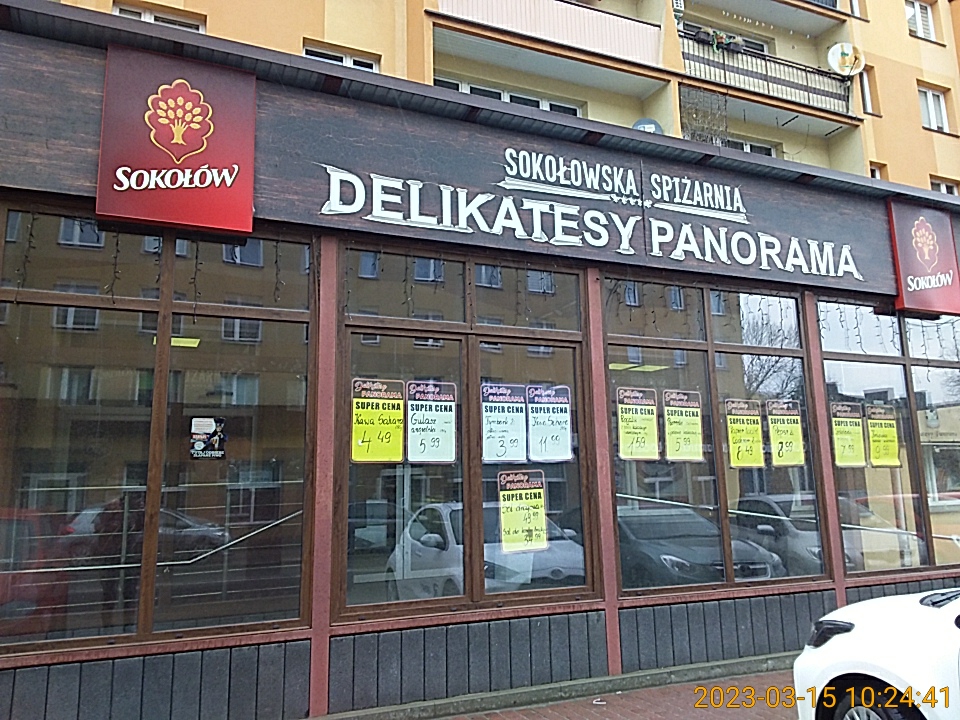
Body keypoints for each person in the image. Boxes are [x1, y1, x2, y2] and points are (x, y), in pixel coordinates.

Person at [94, 492, 145, 621]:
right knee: (109, 595)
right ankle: (107, 625)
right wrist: (113, 513)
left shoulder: (134, 515)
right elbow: (99, 529)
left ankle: (128, 624)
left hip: (130, 557)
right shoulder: (110, 514)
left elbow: (140, 528)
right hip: (111, 556)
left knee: (130, 594)